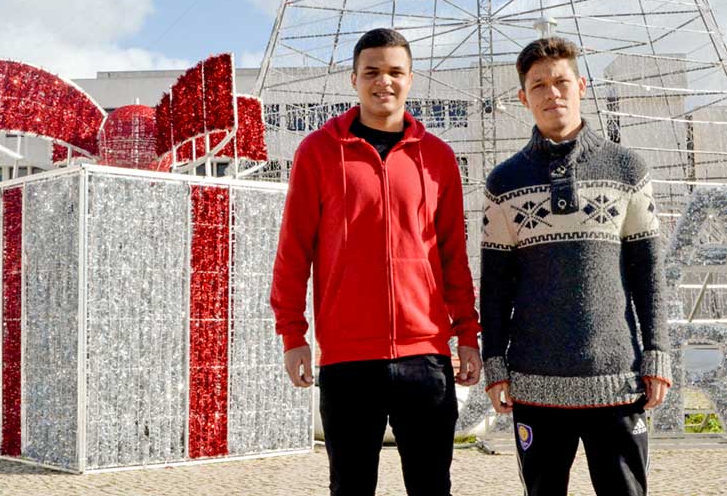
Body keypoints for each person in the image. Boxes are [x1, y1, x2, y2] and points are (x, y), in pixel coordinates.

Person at [270, 28, 481, 496]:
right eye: (372, 72)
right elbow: (293, 251)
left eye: (394, 72)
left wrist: (468, 333)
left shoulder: (438, 157)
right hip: (348, 360)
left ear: (410, 79)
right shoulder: (318, 152)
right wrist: (293, 335)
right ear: (354, 79)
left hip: (426, 358)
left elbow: (453, 256)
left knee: (432, 488)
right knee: (350, 489)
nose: (383, 81)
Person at [480, 36, 672, 496]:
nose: (552, 93)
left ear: (581, 86)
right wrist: (495, 363)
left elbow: (648, 273)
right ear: (523, 97)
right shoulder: (503, 182)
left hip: (618, 380)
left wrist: (657, 353)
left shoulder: (627, 169)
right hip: (535, 385)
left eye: (561, 81)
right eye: (539, 85)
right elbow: (496, 287)